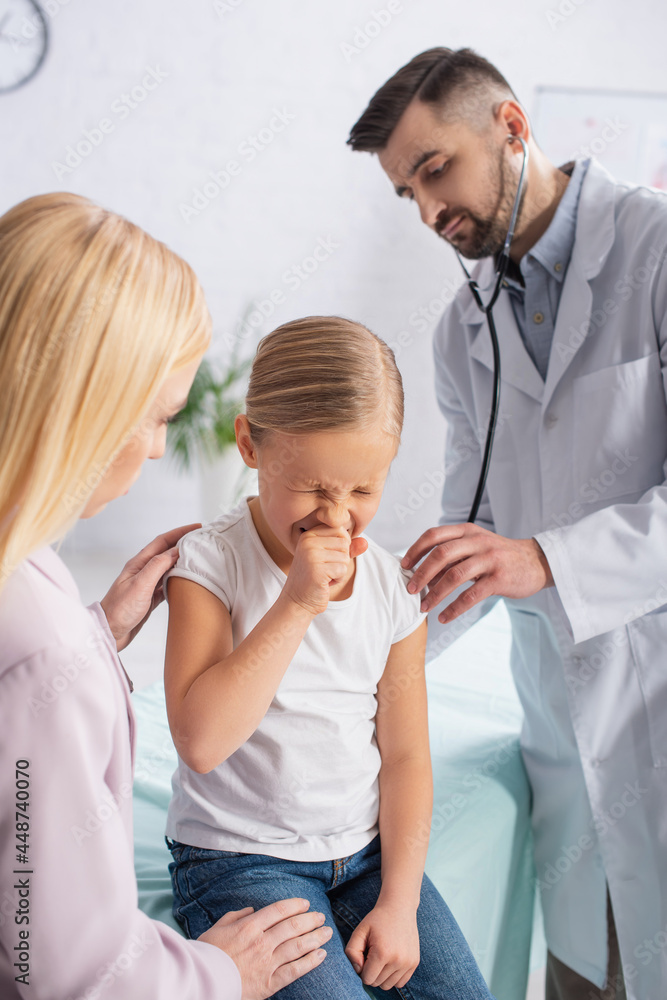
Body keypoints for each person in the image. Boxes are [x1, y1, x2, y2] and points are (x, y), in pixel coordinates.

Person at [347, 46, 667, 1000]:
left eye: (434, 169)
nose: (427, 212)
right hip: (564, 733)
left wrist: (544, 560)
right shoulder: (462, 330)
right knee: (588, 975)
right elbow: (469, 536)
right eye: (406, 192)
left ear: (511, 126)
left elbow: (521, 557)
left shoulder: (653, 252)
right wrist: (360, 642)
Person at [0, 192, 335, 1000]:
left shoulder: (38, 608)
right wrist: (222, 973)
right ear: (82, 405)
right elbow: (71, 966)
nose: (156, 451)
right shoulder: (42, 649)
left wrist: (95, 636)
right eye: (155, 419)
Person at [162, 316, 497, 999]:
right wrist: (295, 605)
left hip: (367, 859)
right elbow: (201, 742)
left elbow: (405, 757)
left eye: (363, 491)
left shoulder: (390, 587)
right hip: (240, 861)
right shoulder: (210, 564)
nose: (337, 518)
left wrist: (399, 903)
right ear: (252, 444)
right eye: (313, 488)